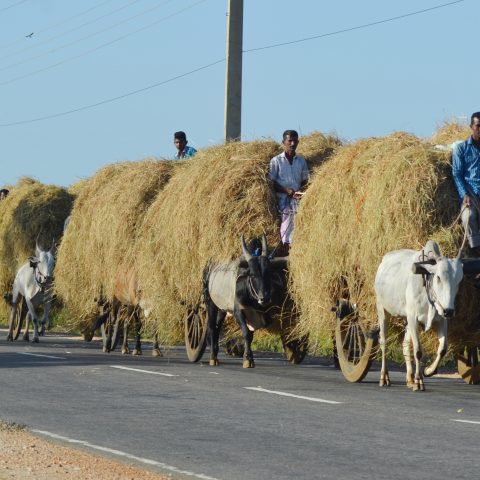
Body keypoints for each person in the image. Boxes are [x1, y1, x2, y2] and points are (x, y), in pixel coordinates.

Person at [269, 130, 309, 255]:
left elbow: (305, 181)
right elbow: (271, 182)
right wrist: (287, 191)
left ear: (298, 142)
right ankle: (287, 245)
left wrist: (300, 191)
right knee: (288, 215)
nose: (292, 144)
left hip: (297, 199)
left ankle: (300, 245)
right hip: (281, 199)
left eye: (295, 141)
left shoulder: (301, 161)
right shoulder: (276, 161)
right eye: (289, 141)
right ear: (283, 142)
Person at [452, 112, 480, 256]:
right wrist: (464, 194)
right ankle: (476, 249)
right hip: (471, 194)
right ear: (471, 127)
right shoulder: (461, 149)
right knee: (468, 216)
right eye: (478, 126)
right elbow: (457, 173)